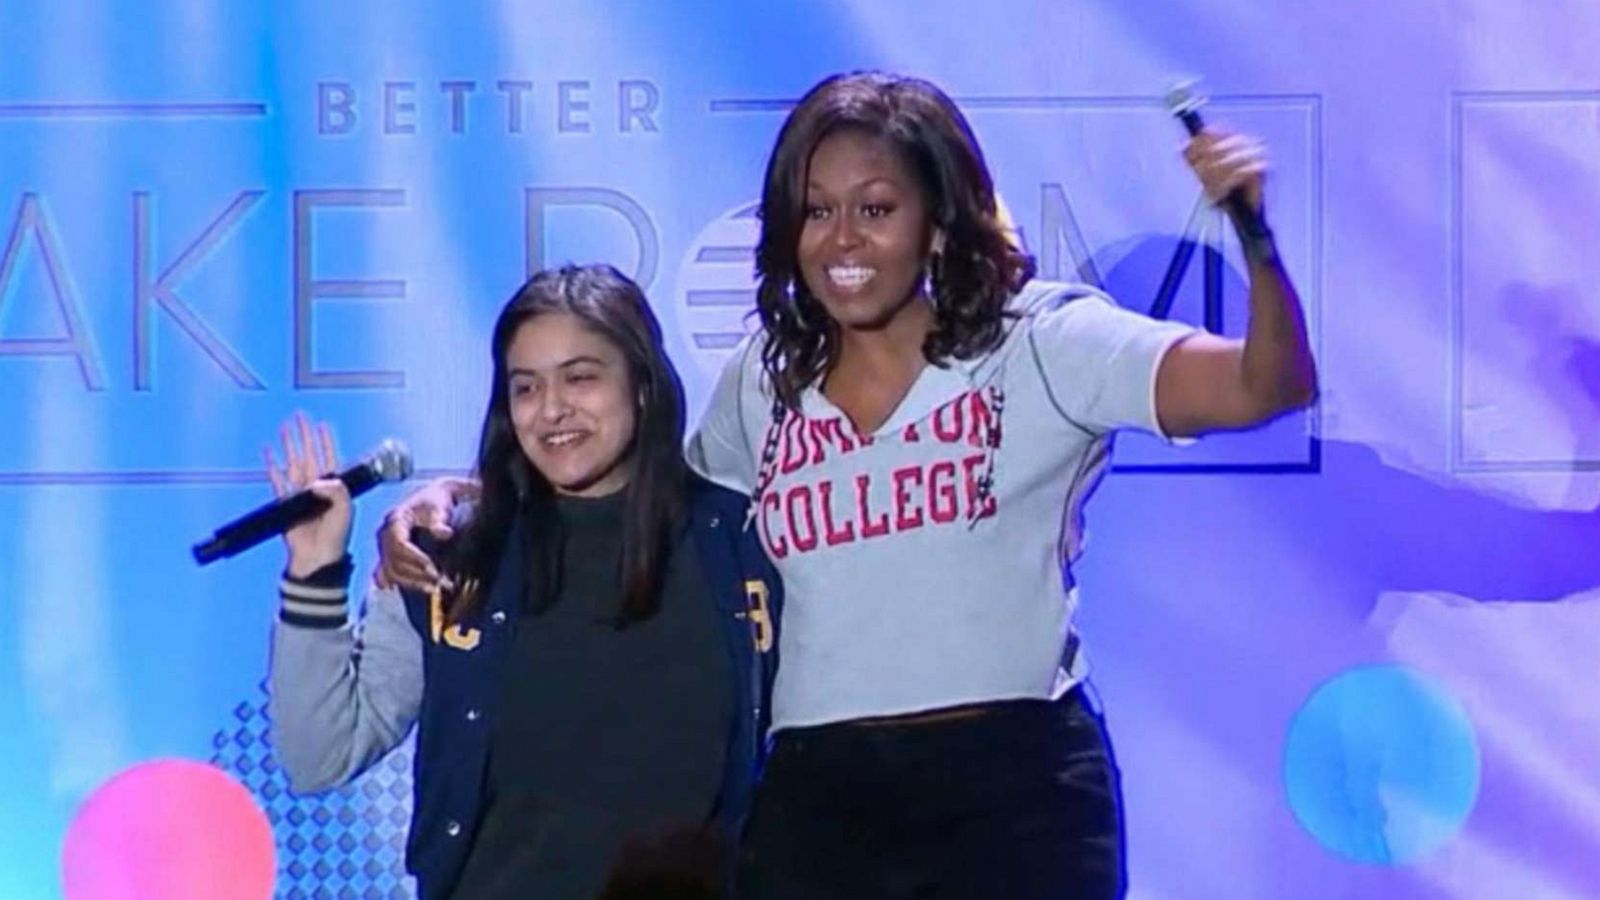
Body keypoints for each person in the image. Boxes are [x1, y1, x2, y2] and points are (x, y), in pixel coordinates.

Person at [380, 72, 1316, 899]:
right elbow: (643, 490)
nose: (841, 240)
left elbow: (1263, 385)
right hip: (817, 798)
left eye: (875, 208)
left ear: (938, 219)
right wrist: (465, 497)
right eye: (816, 211)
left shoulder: (1043, 343)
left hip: (1013, 788)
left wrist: (1255, 235)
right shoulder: (768, 379)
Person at [265, 264, 780, 900]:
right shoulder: (450, 552)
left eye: (582, 378)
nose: (553, 410)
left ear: (642, 384)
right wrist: (313, 571)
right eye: (526, 388)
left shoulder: (740, 542)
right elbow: (321, 754)